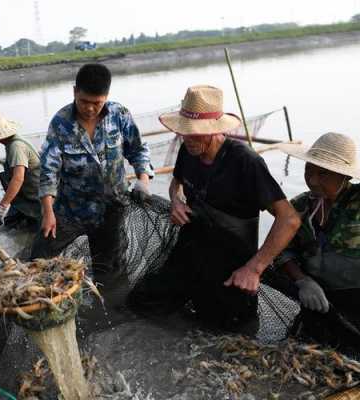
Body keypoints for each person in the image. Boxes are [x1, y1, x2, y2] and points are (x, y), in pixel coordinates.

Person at [128, 85, 300, 330]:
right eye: (184, 132)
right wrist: (176, 202)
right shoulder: (188, 150)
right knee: (145, 304)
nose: (189, 139)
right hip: (191, 251)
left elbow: (289, 219)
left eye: (197, 133)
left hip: (231, 266)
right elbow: (175, 183)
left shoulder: (245, 162)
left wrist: (254, 268)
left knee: (229, 331)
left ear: (215, 130)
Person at [32, 63, 153, 282]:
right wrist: (48, 212)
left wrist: (143, 179)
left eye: (96, 103)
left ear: (106, 96)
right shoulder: (60, 123)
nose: (89, 108)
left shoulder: (120, 115)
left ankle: (113, 312)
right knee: (40, 258)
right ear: (74, 92)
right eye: (84, 101)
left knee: (110, 271)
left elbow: (138, 150)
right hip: (70, 209)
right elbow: (48, 169)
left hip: (111, 208)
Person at [275, 132, 360, 349]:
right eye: (308, 170)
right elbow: (281, 251)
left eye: (323, 174)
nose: (312, 180)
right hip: (317, 300)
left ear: (345, 176)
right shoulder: (299, 206)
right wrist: (302, 280)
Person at [0, 110, 41, 228]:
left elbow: (18, 178)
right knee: (10, 225)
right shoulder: (12, 143)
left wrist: (2, 206)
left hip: (36, 200)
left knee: (34, 232)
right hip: (25, 199)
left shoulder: (16, 147)